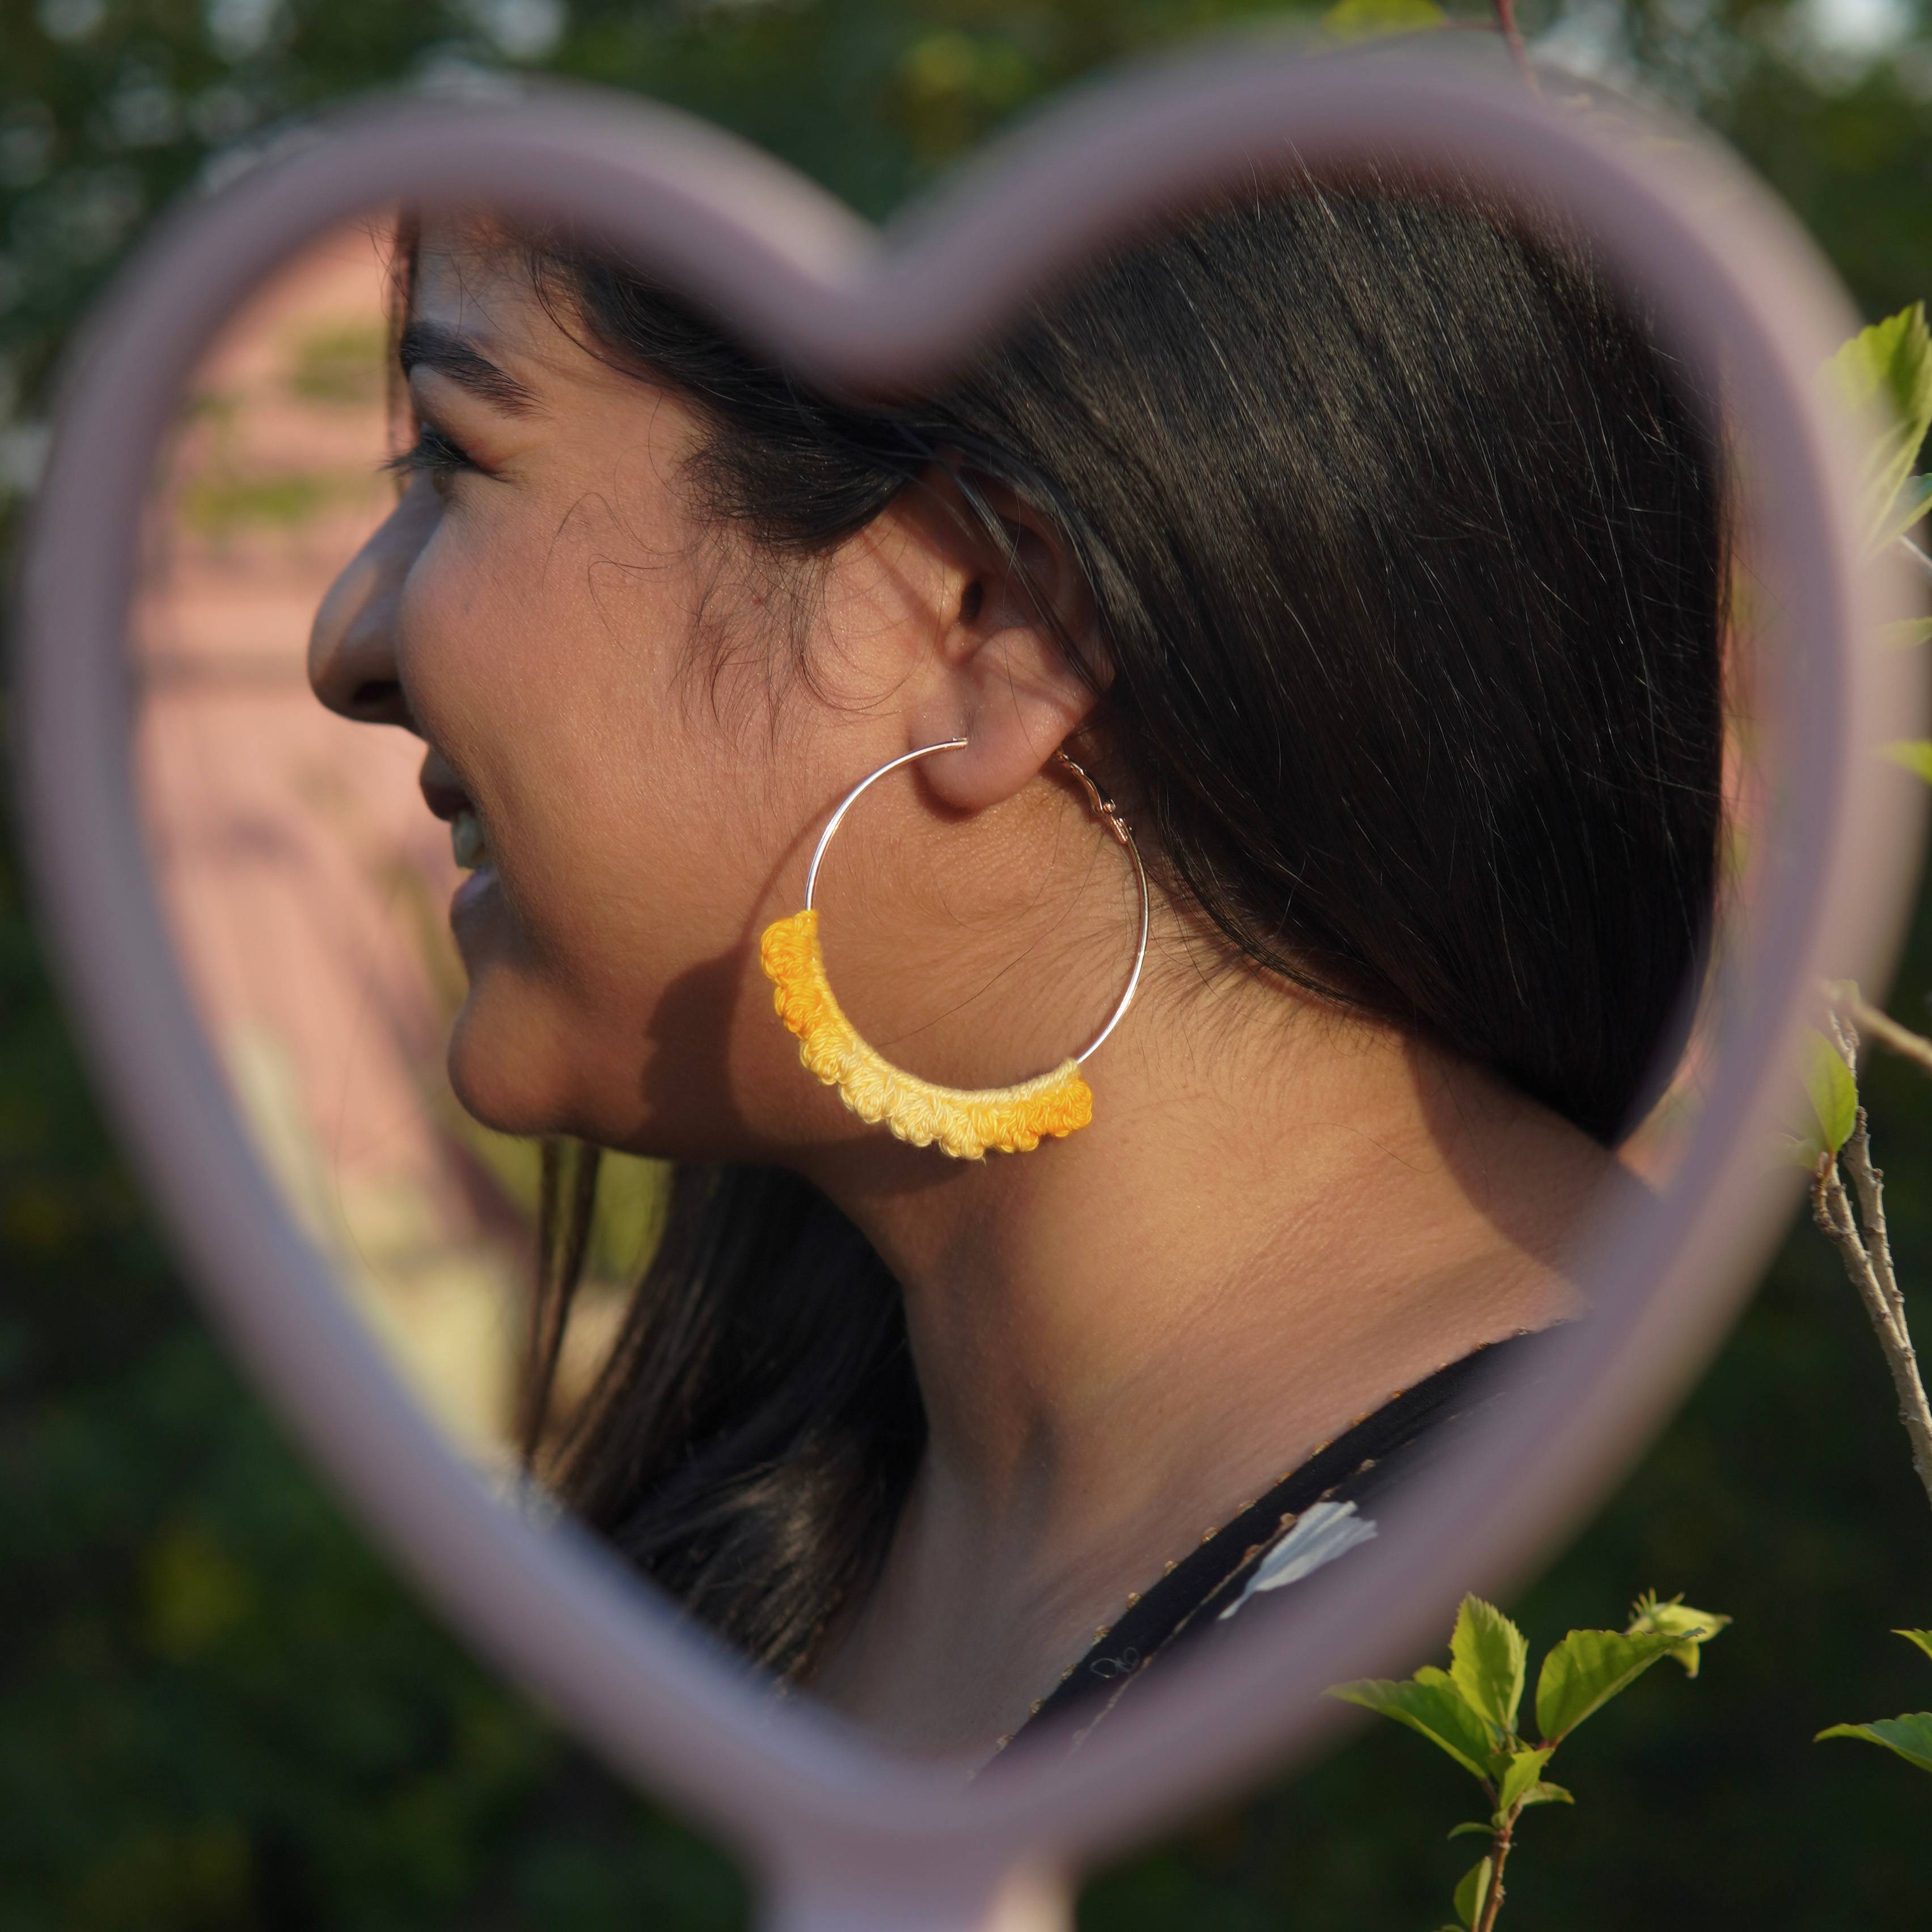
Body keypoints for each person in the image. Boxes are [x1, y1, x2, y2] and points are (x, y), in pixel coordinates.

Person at [306, 166, 1724, 1764]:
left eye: (454, 453)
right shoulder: (772, 1532)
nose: (345, 640)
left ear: (992, 626)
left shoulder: (1630, 1636)